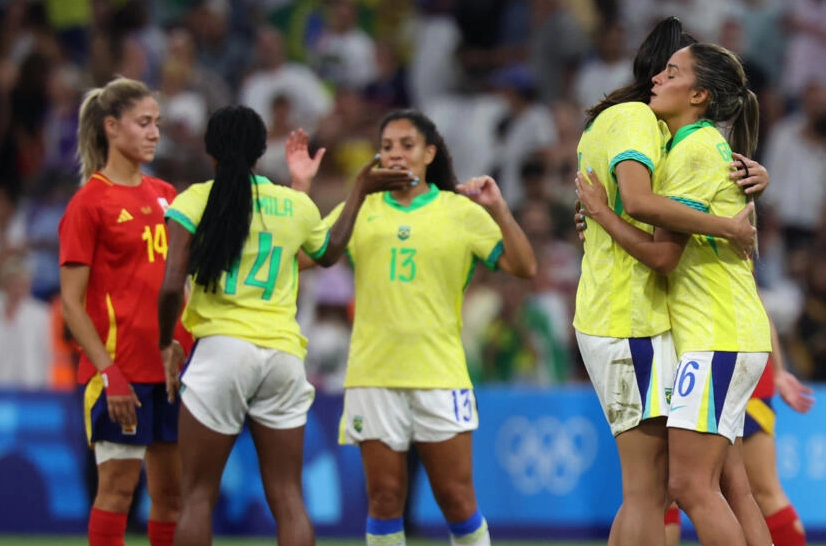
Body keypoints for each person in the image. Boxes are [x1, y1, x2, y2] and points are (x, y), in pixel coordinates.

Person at [155, 105, 413, 546]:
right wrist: (358, 192)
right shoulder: (293, 204)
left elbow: (170, 285)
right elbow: (330, 252)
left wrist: (166, 344)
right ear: (261, 151)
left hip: (220, 352)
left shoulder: (195, 199)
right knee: (289, 497)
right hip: (282, 356)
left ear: (210, 150)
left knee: (197, 497)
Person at [572, 17, 767, 546]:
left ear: (698, 92)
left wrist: (603, 216)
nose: (663, 78)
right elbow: (648, 214)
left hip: (710, 331)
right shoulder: (663, 134)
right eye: (666, 68)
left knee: (684, 486)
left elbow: (657, 245)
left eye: (675, 72)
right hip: (678, 326)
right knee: (702, 484)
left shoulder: (688, 146)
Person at [325, 109, 537, 546]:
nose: (395, 155)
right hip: (374, 374)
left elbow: (524, 266)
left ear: (429, 153)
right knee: (384, 498)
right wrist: (341, 193)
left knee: (456, 499)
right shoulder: (360, 209)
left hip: (439, 374)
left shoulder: (458, 210)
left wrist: (498, 208)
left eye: (406, 145)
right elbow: (313, 254)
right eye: (386, 147)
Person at [58, 76, 192, 546]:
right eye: (144, 122)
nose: (155, 132)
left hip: (170, 369)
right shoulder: (88, 203)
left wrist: (184, 341)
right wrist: (108, 372)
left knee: (172, 497)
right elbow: (71, 303)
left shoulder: (167, 195)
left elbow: (182, 283)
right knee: (116, 492)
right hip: (121, 371)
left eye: (156, 122)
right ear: (112, 127)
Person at [662, 319, 815, 546]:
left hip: (713, 360)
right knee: (742, 490)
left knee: (681, 488)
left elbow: (758, 305)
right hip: (711, 362)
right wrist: (778, 371)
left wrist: (778, 371)